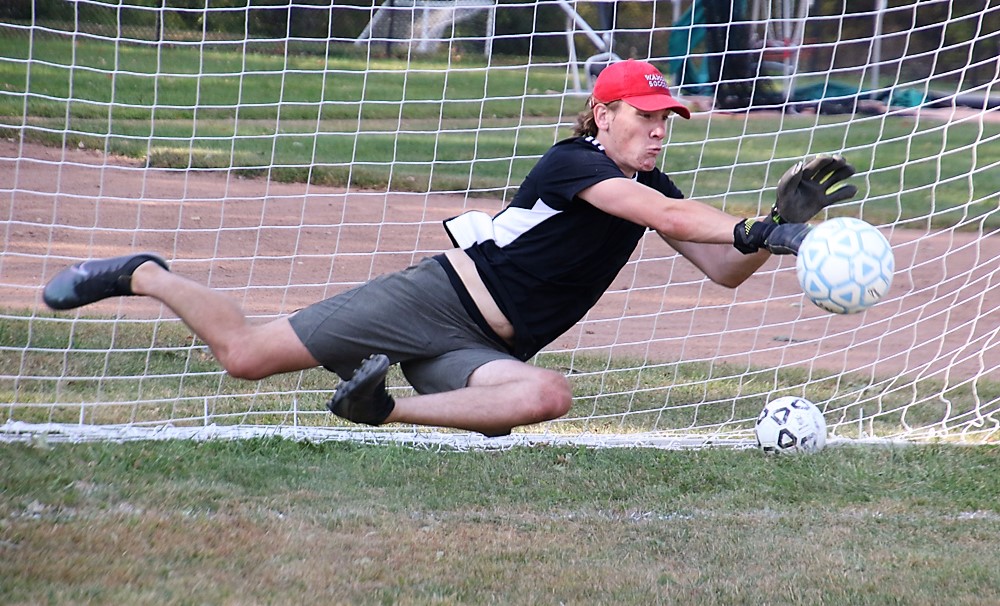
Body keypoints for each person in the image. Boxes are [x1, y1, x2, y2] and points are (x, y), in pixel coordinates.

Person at [43, 59, 856, 437]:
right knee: (243, 354)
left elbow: (721, 269)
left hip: (480, 350)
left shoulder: (656, 189)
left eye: (664, 119)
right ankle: (144, 272)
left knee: (545, 398)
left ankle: (381, 408)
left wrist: (767, 232)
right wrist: (758, 227)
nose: (654, 128)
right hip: (434, 298)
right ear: (601, 116)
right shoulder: (575, 163)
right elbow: (680, 226)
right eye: (642, 116)